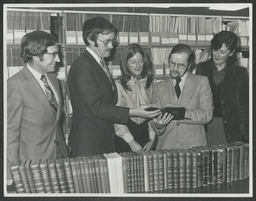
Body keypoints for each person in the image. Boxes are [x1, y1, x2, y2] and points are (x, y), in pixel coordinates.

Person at [67, 17, 160, 157]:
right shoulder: (83, 66)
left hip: (103, 140)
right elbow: (96, 107)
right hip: (89, 143)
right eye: (106, 42)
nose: (111, 46)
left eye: (112, 41)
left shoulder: (98, 63)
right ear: (91, 40)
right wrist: (134, 112)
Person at [7, 31, 69, 182]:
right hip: (34, 165)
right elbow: (10, 133)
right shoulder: (15, 84)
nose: (59, 59)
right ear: (35, 55)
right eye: (53, 54)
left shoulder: (53, 78)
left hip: (60, 159)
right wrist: (9, 172)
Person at [151, 44, 213, 149]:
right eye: (172, 63)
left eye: (180, 65)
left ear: (189, 65)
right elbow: (154, 119)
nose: (175, 68)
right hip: (166, 149)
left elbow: (207, 114)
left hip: (194, 148)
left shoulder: (201, 82)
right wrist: (159, 126)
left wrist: (178, 114)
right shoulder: (158, 87)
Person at [196, 31, 249, 144]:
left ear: (231, 52)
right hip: (203, 126)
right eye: (215, 50)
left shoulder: (240, 73)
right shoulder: (202, 68)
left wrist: (246, 136)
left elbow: (244, 108)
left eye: (222, 52)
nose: (217, 55)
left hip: (228, 129)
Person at [114, 43, 158, 152]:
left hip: (146, 135)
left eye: (140, 61)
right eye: (133, 62)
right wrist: (131, 142)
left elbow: (153, 116)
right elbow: (117, 119)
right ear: (126, 64)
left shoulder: (149, 84)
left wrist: (152, 140)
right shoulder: (118, 85)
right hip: (125, 136)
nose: (138, 66)